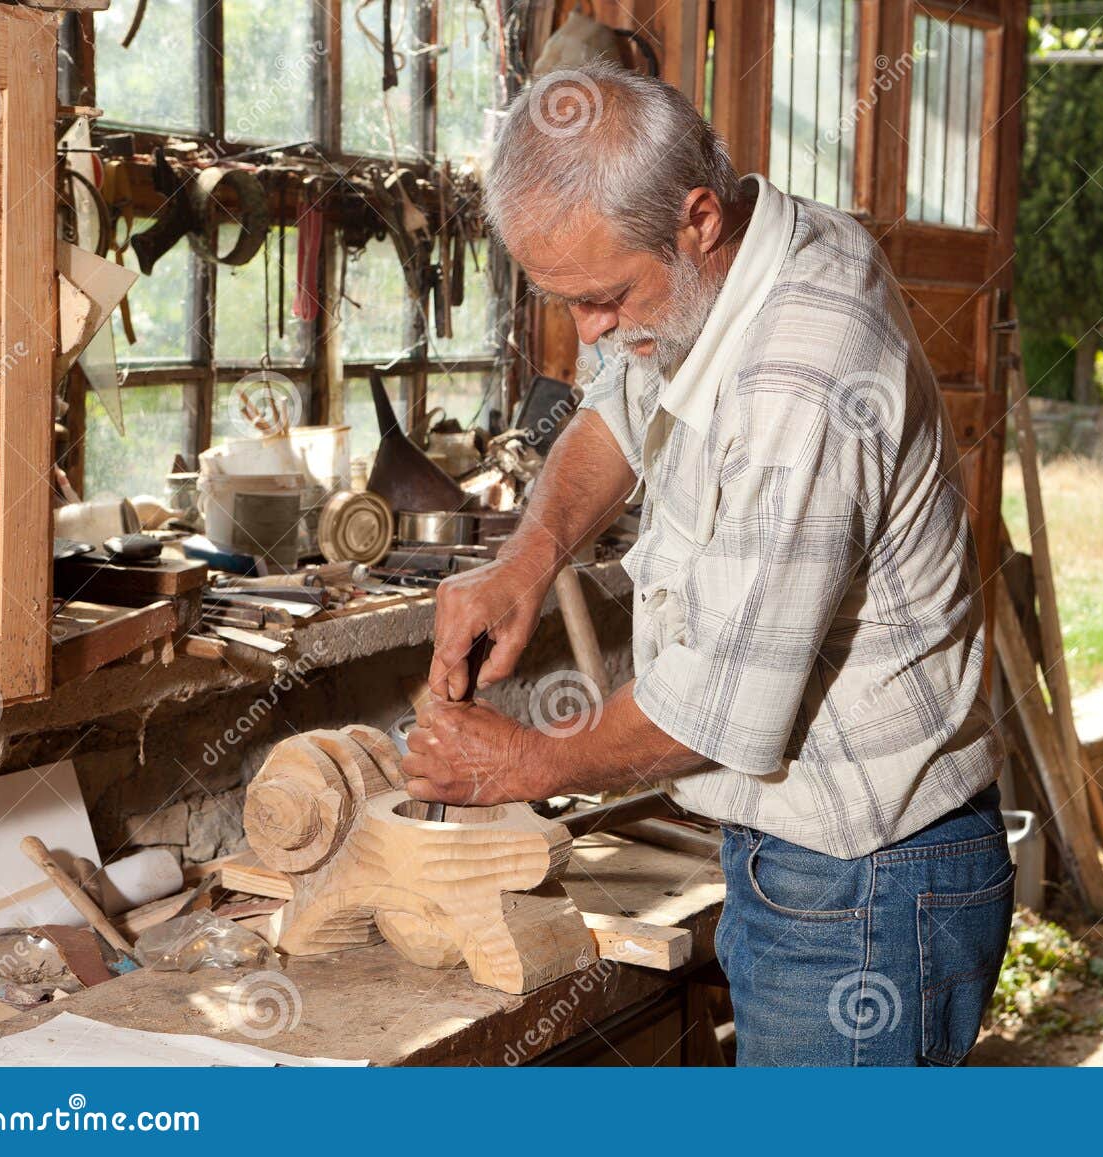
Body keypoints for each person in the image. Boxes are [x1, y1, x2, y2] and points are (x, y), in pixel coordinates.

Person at [402, 62, 1012, 1066]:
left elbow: (711, 710)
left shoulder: (804, 379)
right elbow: (613, 408)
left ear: (694, 218)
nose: (587, 332)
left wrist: (527, 761)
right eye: (565, 302)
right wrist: (526, 558)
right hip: (800, 853)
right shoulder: (722, 267)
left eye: (600, 299)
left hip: (866, 882)